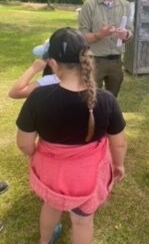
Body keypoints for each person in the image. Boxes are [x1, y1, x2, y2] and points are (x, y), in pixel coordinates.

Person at [15, 27, 127, 244]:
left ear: (53, 64)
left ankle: (44, 241)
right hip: (87, 178)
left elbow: (25, 143)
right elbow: (119, 143)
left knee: (51, 205)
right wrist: (119, 165)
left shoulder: (38, 97)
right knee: (82, 222)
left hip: (51, 175)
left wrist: (34, 154)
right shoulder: (106, 99)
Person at [79, 0, 133, 97]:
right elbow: (82, 37)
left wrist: (126, 34)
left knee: (111, 100)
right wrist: (99, 35)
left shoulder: (126, 6)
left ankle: (106, 118)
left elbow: (130, 31)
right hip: (94, 61)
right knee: (91, 99)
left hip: (116, 62)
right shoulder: (89, 6)